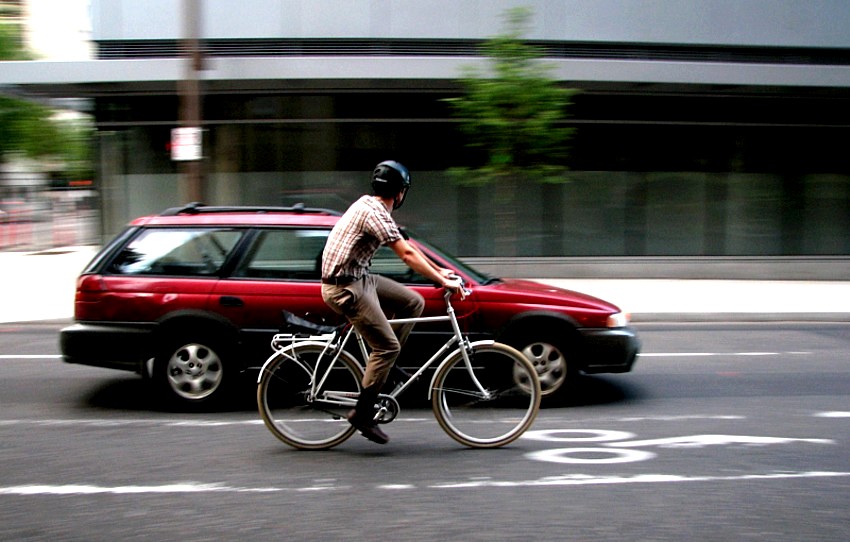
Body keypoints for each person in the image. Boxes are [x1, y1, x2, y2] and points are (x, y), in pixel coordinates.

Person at [321, 160, 459, 444]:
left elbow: (408, 245)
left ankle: (387, 366)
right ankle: (362, 413)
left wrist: (439, 272)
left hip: (358, 278)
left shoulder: (371, 206)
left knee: (413, 302)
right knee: (386, 346)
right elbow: (406, 255)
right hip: (344, 287)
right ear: (399, 192)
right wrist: (443, 281)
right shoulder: (375, 214)